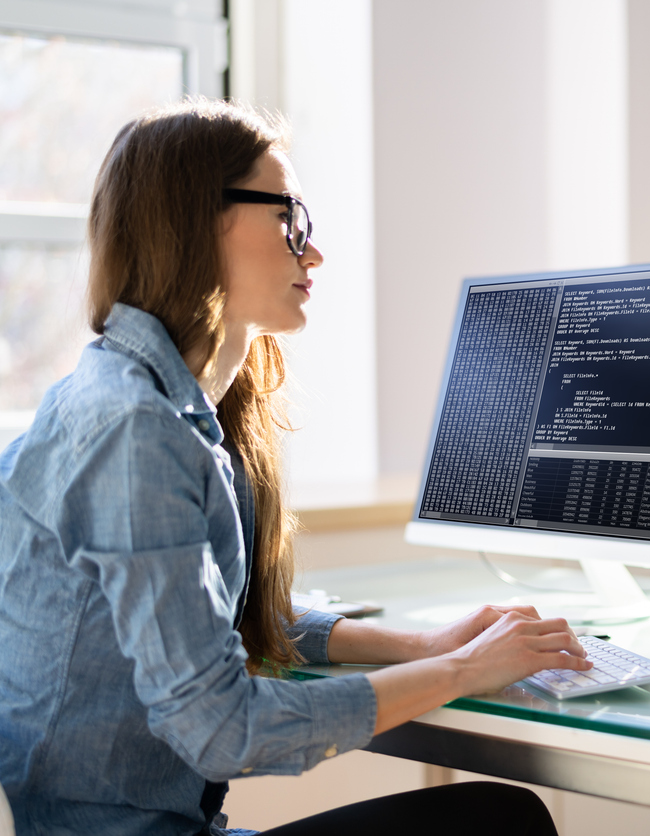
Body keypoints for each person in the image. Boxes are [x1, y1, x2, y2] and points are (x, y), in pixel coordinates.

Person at [0, 98, 594, 835]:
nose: (313, 253)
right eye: (291, 219)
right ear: (196, 221)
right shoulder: (134, 433)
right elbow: (220, 729)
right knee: (499, 820)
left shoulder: (139, 402)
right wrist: (462, 673)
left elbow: (201, 613)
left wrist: (423, 645)